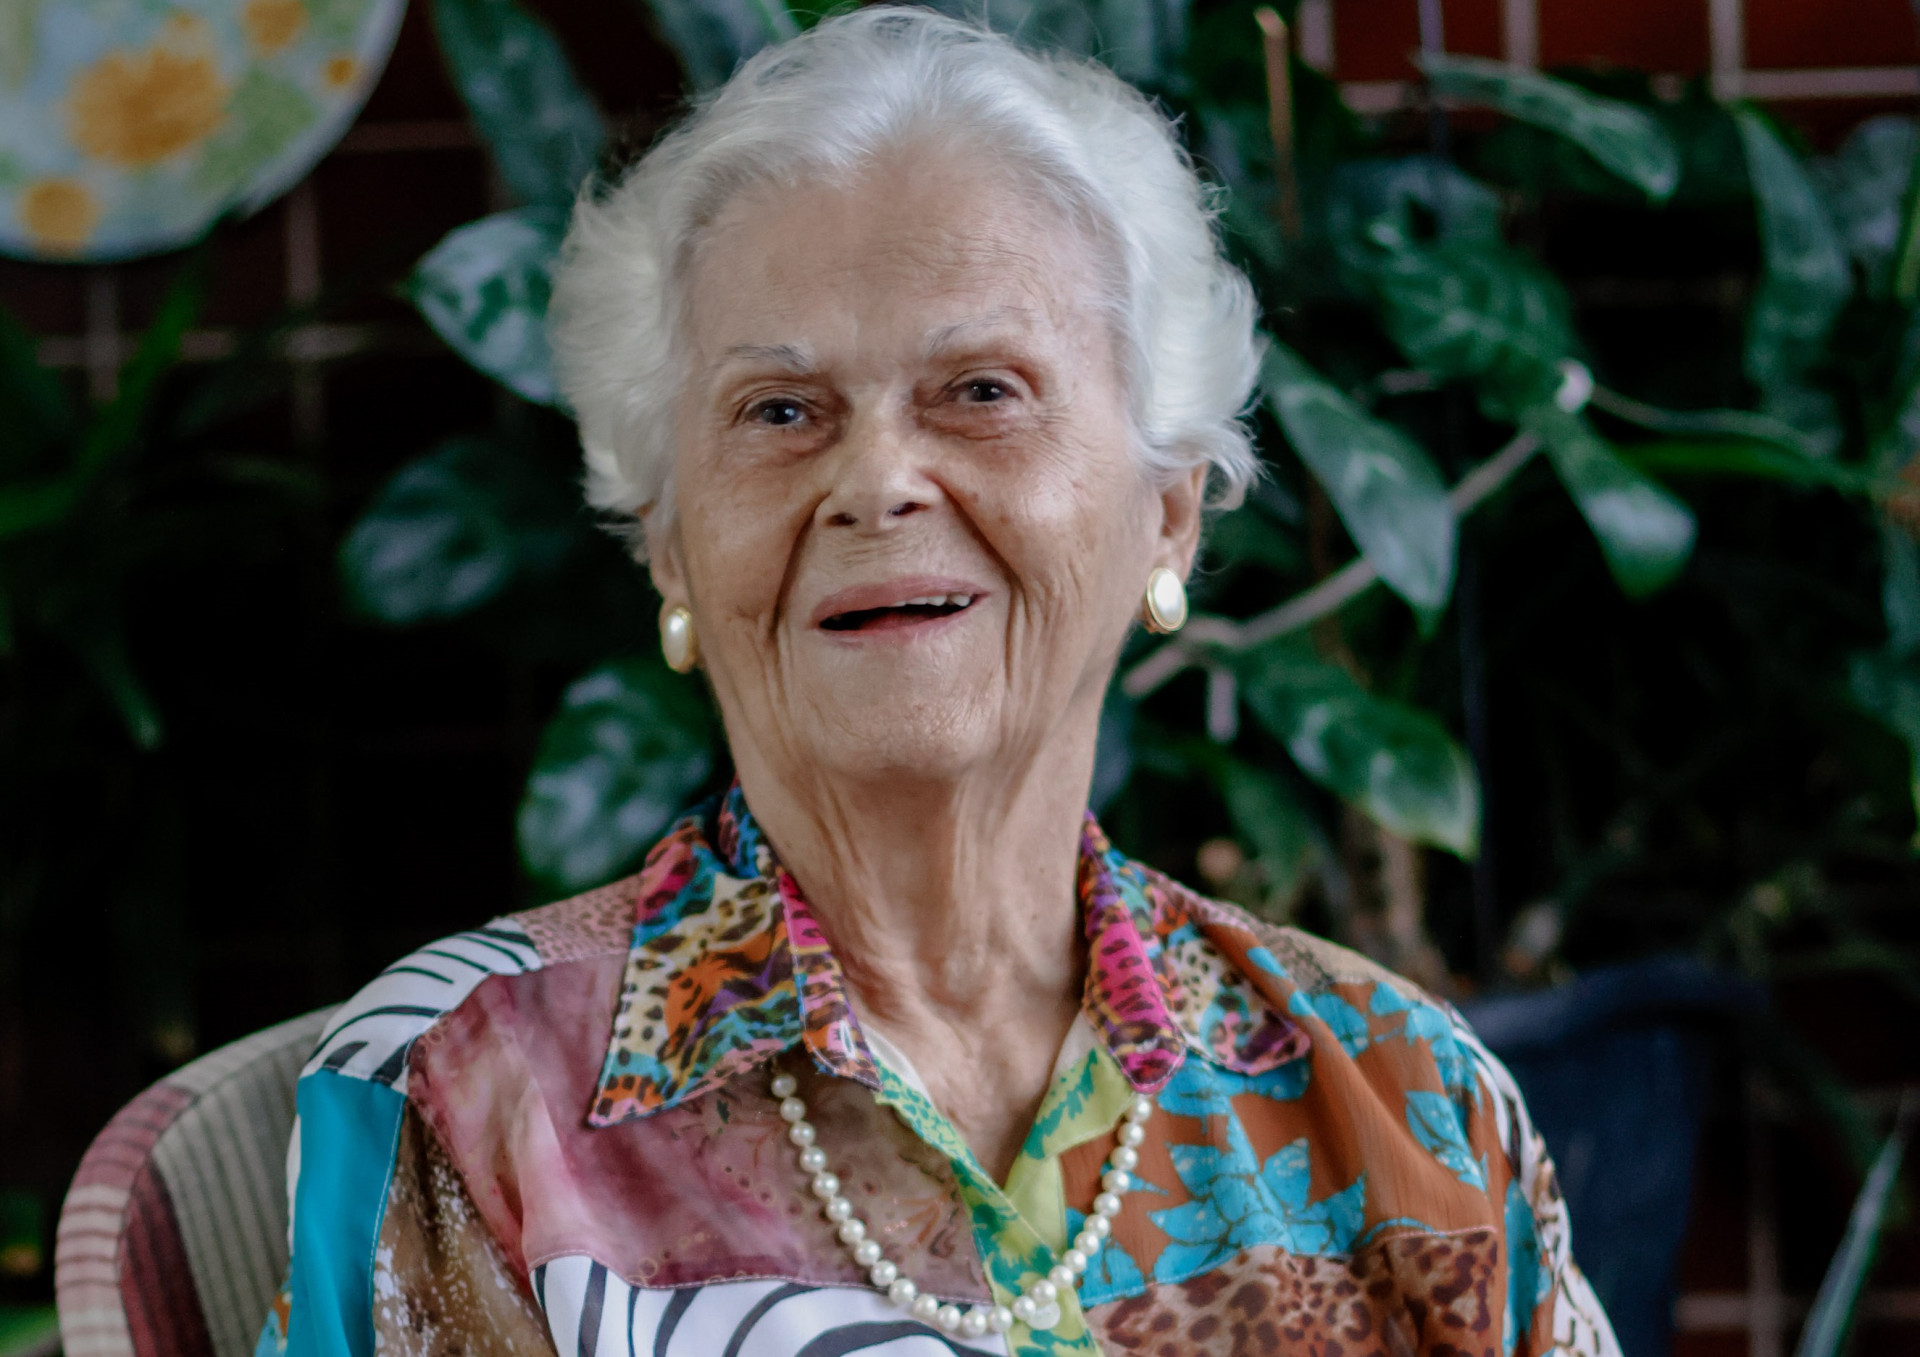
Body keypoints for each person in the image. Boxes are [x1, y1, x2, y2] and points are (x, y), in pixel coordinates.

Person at [257, 9, 1619, 1354]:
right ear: (670, 541)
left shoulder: (1405, 1096)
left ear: (1171, 510)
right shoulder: (470, 1084)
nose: (877, 481)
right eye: (779, 412)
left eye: (981, 390)